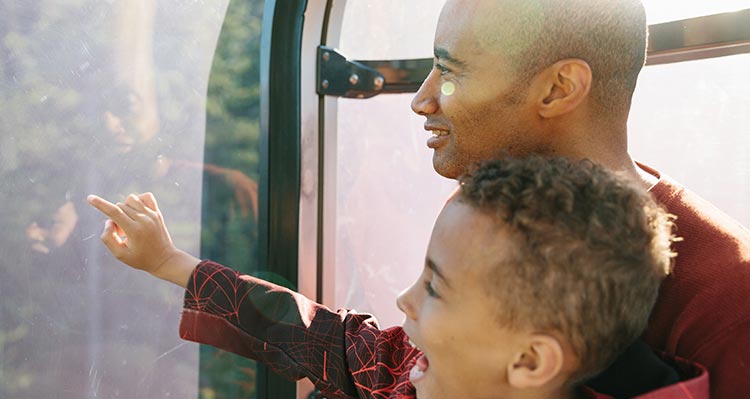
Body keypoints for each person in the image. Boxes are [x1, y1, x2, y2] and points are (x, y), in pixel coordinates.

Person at [88, 156, 708, 398]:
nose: (403, 300)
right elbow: (323, 337)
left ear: (529, 362)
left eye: (434, 288)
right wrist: (171, 263)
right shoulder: (415, 369)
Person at [409, 1, 750, 397]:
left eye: (449, 71)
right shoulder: (488, 213)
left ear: (559, 88)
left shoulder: (729, 300)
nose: (421, 99)